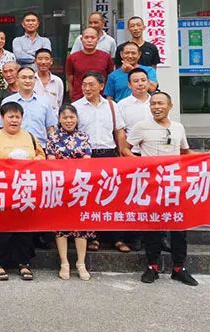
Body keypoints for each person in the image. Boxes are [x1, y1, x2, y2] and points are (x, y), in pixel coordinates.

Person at [127, 91, 199, 286]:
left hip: (174, 184)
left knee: (179, 227)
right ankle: (152, 267)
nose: (156, 107)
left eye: (160, 103)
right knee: (153, 227)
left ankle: (179, 268)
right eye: (153, 104)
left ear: (170, 106)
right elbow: (125, 149)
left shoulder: (178, 127)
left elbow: (185, 152)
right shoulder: (141, 127)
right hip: (152, 185)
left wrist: (208, 156)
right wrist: (140, 164)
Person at [0, 101, 44, 281]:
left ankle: (24, 262)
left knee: (24, 229)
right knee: (1, 230)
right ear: (2, 118)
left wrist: (35, 161)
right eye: (10, 116)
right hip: (1, 191)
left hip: (25, 190)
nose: (14, 120)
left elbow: (41, 156)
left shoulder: (30, 137)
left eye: (17, 117)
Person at [73, 72, 131, 253]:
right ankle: (93, 237)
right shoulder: (76, 107)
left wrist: (122, 153)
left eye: (91, 84)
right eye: (84, 84)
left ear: (101, 86)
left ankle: (116, 238)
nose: (87, 88)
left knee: (112, 196)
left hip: (108, 155)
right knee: (89, 197)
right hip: (86, 156)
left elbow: (119, 131)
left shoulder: (112, 106)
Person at [46, 104, 94, 281]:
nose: (68, 120)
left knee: (80, 225)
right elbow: (51, 161)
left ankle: (81, 263)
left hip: (80, 186)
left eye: (71, 117)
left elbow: (87, 161)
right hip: (60, 186)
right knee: (61, 226)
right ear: (59, 119)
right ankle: (64, 263)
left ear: (77, 118)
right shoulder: (53, 138)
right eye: (65, 117)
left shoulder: (84, 137)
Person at [1, 66, 58, 148]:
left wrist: (51, 147)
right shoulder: (7, 101)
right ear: (17, 79)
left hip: (40, 147)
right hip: (13, 147)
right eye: (24, 77)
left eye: (31, 78)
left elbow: (50, 128)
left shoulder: (45, 102)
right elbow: (2, 127)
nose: (27, 81)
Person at [65, 27, 116, 102]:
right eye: (86, 37)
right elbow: (70, 78)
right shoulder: (72, 58)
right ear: (81, 40)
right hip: (79, 98)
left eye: (92, 38)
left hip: (101, 99)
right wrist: (72, 95)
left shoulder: (106, 57)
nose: (89, 40)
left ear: (97, 39)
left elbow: (110, 77)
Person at [117, 68, 153, 139]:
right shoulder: (122, 105)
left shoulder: (156, 102)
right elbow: (120, 131)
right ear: (129, 85)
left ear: (148, 83)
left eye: (143, 80)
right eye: (136, 81)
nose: (140, 84)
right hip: (132, 145)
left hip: (155, 144)